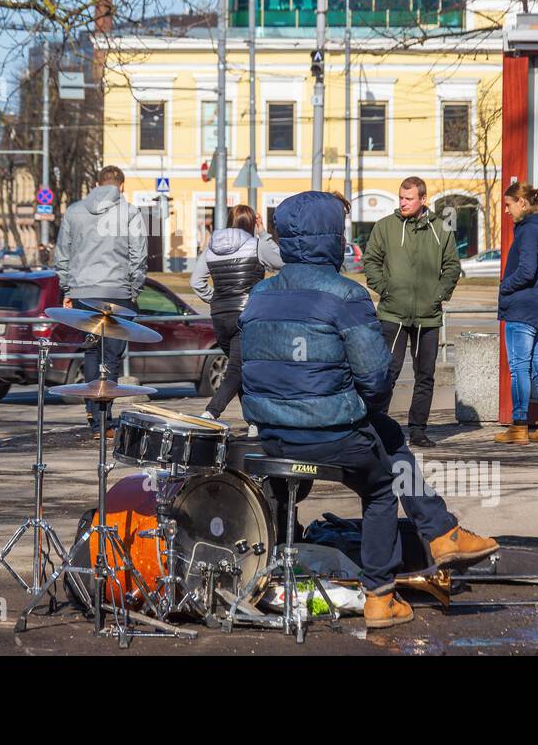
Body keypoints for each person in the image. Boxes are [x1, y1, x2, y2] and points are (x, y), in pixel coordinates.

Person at [239, 191, 498, 629]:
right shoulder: (346, 295)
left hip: (271, 435)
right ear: (332, 239)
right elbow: (377, 378)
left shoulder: (261, 295)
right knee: (382, 484)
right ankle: (384, 590)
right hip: (329, 436)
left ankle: (441, 533)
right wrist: (357, 408)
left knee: (388, 437)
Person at [361, 176, 461, 448]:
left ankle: (418, 429)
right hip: (392, 314)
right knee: (387, 373)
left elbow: (452, 266)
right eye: (401, 198)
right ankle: (376, 426)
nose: (403, 203)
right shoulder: (385, 227)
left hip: (428, 317)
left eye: (409, 198)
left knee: (425, 376)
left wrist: (439, 295)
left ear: (422, 199)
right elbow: (370, 261)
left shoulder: (442, 229)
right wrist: (385, 289)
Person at [54, 165, 148, 435]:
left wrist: (68, 289)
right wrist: (134, 288)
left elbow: (63, 254)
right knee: (112, 356)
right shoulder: (129, 212)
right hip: (117, 292)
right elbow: (138, 255)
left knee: (92, 351)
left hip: (84, 292)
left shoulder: (74, 211)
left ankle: (94, 415)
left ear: (96, 184)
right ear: (121, 186)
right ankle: (105, 418)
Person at [189, 204, 284, 420]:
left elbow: (196, 282)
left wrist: (216, 299)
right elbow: (281, 261)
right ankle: (210, 413)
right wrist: (264, 234)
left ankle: (253, 423)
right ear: (251, 224)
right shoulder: (256, 245)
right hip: (247, 316)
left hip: (220, 317)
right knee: (237, 371)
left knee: (240, 369)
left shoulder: (211, 247)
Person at [495, 182, 538, 444]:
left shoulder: (528, 231)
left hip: (521, 308)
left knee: (519, 368)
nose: (506, 210)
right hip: (537, 307)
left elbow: (526, 271)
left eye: (509, 204)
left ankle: (519, 425)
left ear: (522, 203)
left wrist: (504, 286)